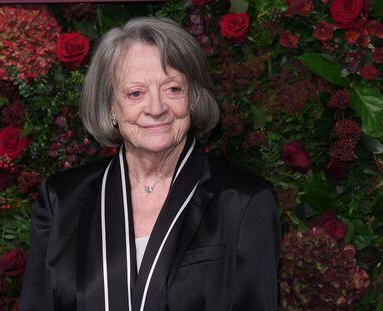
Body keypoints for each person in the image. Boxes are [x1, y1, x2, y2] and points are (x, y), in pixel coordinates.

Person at [20, 17, 280, 311]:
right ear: (111, 108)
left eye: (173, 89)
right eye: (135, 93)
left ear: (193, 98)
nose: (156, 108)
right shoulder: (61, 199)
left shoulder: (245, 202)